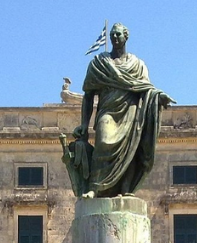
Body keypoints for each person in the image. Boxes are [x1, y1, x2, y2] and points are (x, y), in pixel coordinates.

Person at [73, 23, 175, 198]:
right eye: (112, 34)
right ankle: (95, 187)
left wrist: (159, 97)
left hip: (131, 111)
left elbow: (147, 89)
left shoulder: (137, 64)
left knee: (131, 147)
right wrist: (84, 123)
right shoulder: (99, 63)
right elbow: (88, 95)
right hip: (108, 111)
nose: (114, 38)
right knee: (103, 142)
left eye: (118, 34)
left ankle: (125, 189)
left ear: (126, 37)